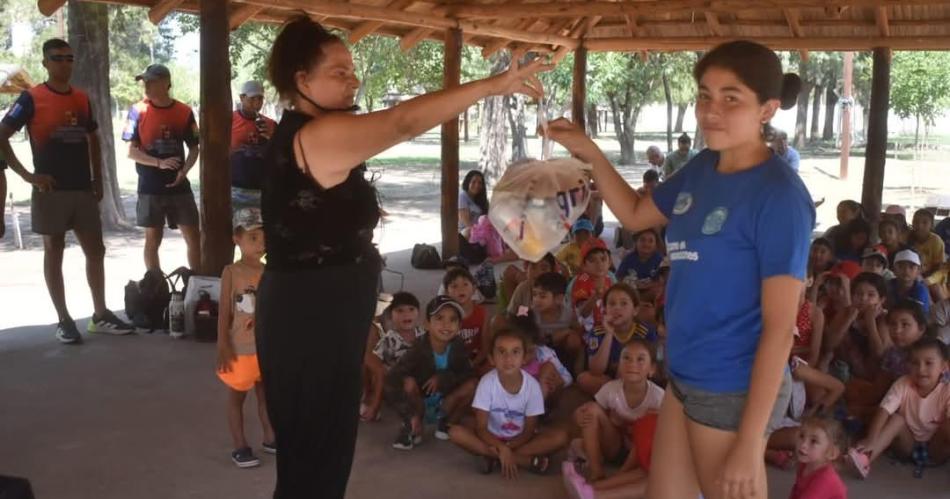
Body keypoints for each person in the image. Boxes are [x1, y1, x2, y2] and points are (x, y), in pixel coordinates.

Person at [254, 16, 548, 498]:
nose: (352, 79)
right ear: (300, 82)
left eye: (352, 69)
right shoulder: (317, 135)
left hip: (319, 312)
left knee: (317, 457)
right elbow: (403, 121)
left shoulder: (310, 133)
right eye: (337, 71)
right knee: (316, 458)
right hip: (310, 318)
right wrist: (494, 85)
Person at [543, 40, 812, 499]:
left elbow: (780, 329)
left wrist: (750, 443)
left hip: (732, 387)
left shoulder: (779, 196)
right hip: (685, 376)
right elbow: (632, 212)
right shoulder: (703, 166)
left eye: (732, 98)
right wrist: (586, 148)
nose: (712, 110)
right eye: (705, 95)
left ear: (766, 109)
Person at [0, 38, 133, 343]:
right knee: (54, 251)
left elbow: (94, 139)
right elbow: (2, 135)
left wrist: (98, 179)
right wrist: (28, 176)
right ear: (45, 63)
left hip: (82, 189)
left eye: (70, 58)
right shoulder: (31, 98)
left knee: (96, 251)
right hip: (51, 190)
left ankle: (99, 314)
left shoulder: (82, 98)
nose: (65, 64)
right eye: (58, 58)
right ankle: (63, 319)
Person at [447, 326, 569, 477]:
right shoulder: (486, 383)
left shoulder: (532, 387)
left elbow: (529, 430)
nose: (508, 358)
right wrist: (500, 447)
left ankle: (492, 457)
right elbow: (481, 428)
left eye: (515, 352)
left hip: (521, 440)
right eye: (501, 351)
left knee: (560, 437)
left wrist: (508, 447)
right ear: (491, 358)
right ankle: (521, 460)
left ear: (524, 358)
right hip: (491, 437)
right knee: (455, 432)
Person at [122, 63, 201, 272]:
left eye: (151, 81)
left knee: (193, 236)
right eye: (144, 81)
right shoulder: (137, 111)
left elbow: (195, 148)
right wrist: (159, 163)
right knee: (152, 239)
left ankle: (197, 282)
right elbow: (131, 151)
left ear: (166, 83)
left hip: (179, 187)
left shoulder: (184, 112)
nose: (146, 85)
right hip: (150, 186)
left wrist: (184, 172)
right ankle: (155, 284)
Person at [215, 208, 275, 468]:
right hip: (240, 348)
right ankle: (240, 445)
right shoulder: (231, 271)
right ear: (236, 239)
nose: (260, 244)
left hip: (266, 348)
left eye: (264, 238)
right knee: (236, 398)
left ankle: (270, 436)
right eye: (253, 238)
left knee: (266, 395)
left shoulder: (271, 271)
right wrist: (223, 344)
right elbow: (224, 313)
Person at [848, 338, 950, 479]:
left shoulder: (947, 389)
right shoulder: (903, 383)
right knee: (896, 419)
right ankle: (866, 458)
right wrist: (871, 438)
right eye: (915, 363)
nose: (921, 369)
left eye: (929, 363)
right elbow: (884, 410)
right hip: (907, 445)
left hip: (936, 450)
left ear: (944, 367)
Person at [384, 296, 477, 450]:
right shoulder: (418, 348)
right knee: (407, 382)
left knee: (473, 384)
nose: (446, 324)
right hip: (421, 400)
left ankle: (446, 422)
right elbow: (393, 379)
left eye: (453, 319)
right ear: (427, 324)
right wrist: (409, 413)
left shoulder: (458, 344)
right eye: (439, 318)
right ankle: (413, 425)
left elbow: (467, 373)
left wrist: (444, 377)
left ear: (459, 326)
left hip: (446, 400)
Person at [571, 339, 665, 483]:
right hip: (614, 446)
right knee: (590, 409)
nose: (632, 364)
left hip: (642, 454)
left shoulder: (658, 397)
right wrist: (578, 415)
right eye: (626, 358)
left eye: (640, 359)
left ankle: (620, 473)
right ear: (619, 365)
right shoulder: (610, 389)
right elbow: (593, 412)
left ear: (651, 369)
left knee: (655, 421)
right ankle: (596, 471)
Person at [578, 283, 657, 395]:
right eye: (612, 304)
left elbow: (651, 366)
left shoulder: (645, 332)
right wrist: (609, 334)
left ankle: (615, 399)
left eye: (623, 303)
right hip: (607, 379)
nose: (617, 308)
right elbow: (596, 371)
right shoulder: (598, 332)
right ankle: (618, 397)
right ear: (605, 310)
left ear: (635, 310)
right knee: (584, 379)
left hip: (636, 376)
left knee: (626, 362)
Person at [362, 291, 424, 422]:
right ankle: (412, 416)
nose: (406, 314)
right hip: (396, 385)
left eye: (411, 309)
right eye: (400, 310)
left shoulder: (424, 335)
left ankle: (419, 413)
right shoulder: (387, 340)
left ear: (418, 313)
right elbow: (375, 367)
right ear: (390, 315)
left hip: (421, 382)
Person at [230, 80, 277, 211]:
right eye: (252, 99)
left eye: (260, 98)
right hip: (235, 187)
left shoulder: (270, 124)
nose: (257, 103)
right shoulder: (229, 120)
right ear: (242, 98)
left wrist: (271, 138)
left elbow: (281, 155)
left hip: (263, 188)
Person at [529, 271, 584, 372]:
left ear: (558, 299)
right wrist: (563, 333)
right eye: (534, 294)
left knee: (574, 339)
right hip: (539, 351)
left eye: (542, 296)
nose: (536, 300)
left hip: (562, 351)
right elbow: (529, 338)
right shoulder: (530, 313)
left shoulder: (569, 314)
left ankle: (575, 373)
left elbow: (579, 334)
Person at [444, 267, 491, 373]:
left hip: (477, 358)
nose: (461, 289)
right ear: (447, 292)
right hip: (453, 360)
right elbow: (442, 348)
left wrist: (473, 364)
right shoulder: (445, 316)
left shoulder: (483, 313)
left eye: (465, 284)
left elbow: (486, 347)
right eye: (454, 286)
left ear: (474, 288)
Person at [787, 417, 848, 499]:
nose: (803, 444)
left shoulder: (824, 479)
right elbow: (796, 490)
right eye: (802, 436)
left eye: (813, 441)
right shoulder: (805, 464)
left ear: (831, 453)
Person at [458, 170, 490, 264]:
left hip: (481, 231)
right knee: (469, 231)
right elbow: (465, 221)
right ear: (468, 182)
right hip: (465, 232)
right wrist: (479, 233)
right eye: (474, 182)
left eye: (480, 183)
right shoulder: (463, 196)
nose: (477, 185)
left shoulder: (482, 199)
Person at [888, 249, 931, 315]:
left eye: (911, 267)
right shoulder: (888, 285)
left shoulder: (920, 290)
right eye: (900, 266)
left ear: (918, 271)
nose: (906, 270)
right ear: (893, 269)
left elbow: (919, 317)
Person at [909, 208, 946, 276]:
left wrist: (925, 278)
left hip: (933, 275)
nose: (920, 226)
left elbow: (939, 266)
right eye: (916, 222)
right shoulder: (908, 237)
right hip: (911, 274)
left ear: (931, 225)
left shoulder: (936, 241)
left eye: (925, 222)